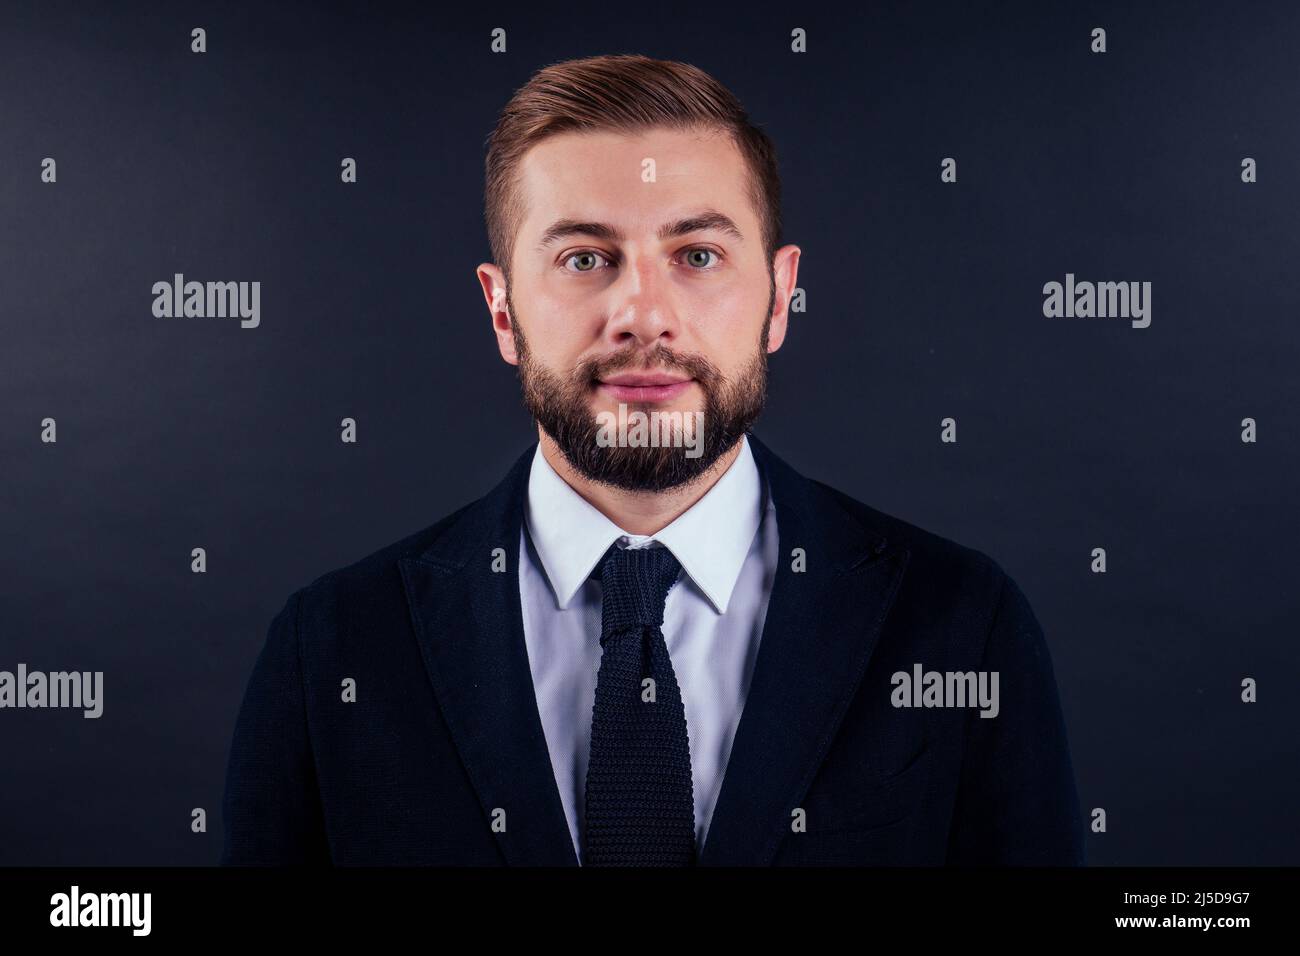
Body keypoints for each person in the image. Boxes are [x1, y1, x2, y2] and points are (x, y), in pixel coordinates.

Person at [221, 53, 1084, 866]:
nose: (643, 314)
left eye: (697, 255)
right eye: (585, 258)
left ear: (780, 298)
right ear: (502, 311)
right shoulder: (329, 652)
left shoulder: (964, 625)